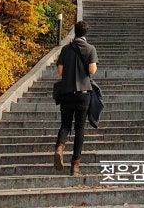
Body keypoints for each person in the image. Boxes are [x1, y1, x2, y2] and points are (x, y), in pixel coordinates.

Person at [54, 20, 98, 176]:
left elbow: (60, 71)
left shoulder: (66, 49)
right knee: (79, 129)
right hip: (83, 94)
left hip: (66, 92)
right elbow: (92, 71)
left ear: (74, 31)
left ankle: (60, 146)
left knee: (65, 124)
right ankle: (75, 166)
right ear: (86, 33)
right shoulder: (90, 49)